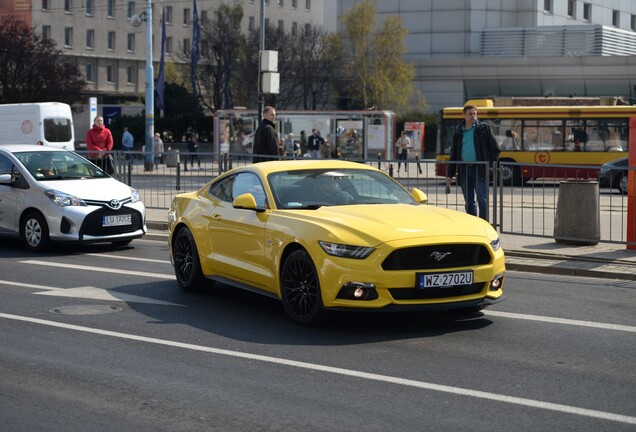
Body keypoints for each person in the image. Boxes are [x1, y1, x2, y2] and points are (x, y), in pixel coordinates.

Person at [445, 104, 500, 221]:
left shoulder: (484, 128)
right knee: (469, 202)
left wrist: (489, 166)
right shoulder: (459, 132)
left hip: (480, 169)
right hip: (464, 169)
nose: (473, 116)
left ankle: (484, 225)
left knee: (482, 200)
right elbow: (453, 154)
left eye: (474, 113)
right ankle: (473, 225)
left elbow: (495, 149)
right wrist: (449, 174)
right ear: (464, 115)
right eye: (470, 114)